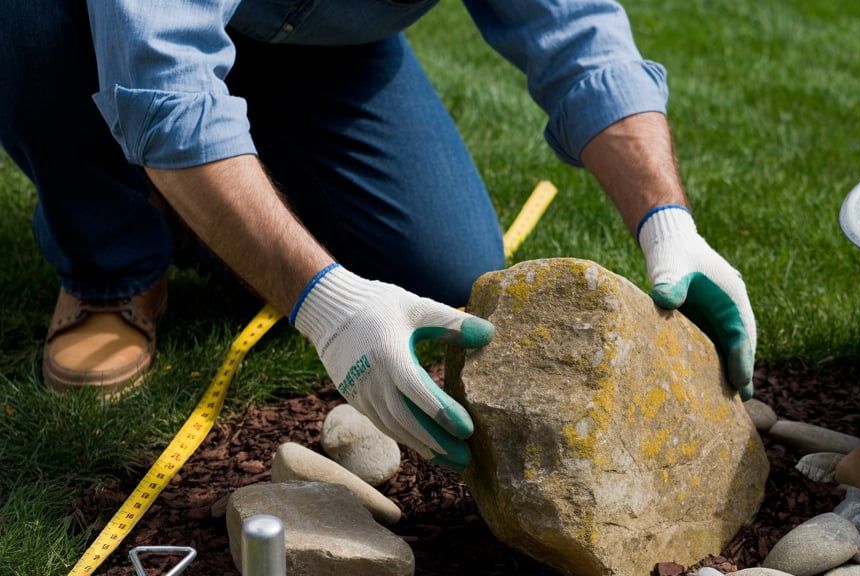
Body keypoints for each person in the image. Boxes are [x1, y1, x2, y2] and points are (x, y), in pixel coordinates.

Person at [0, 0, 755, 471]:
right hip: (117, 24)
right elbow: (163, 87)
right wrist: (327, 305)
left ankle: (199, 195)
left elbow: (579, 36)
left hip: (326, 48)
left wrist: (667, 221)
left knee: (448, 270)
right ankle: (112, 264)